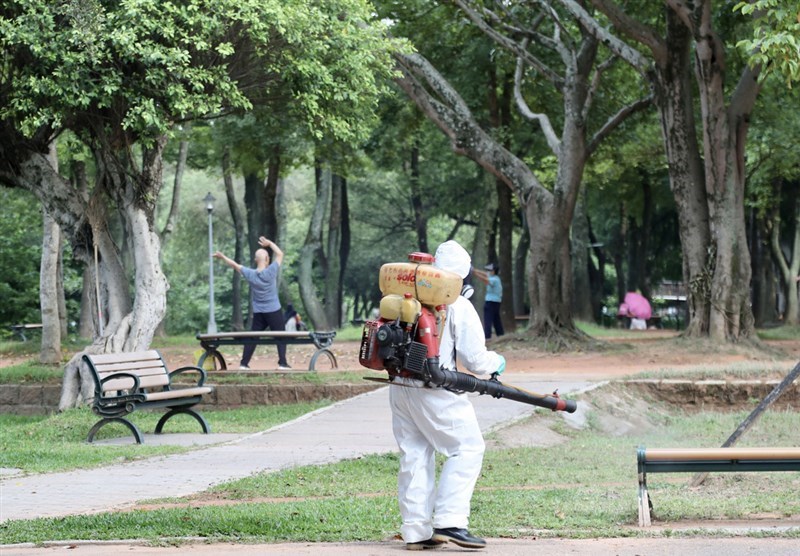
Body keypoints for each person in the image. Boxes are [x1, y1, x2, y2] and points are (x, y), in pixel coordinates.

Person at [389, 240, 506, 551]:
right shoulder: (456, 303)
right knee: (467, 448)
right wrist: (498, 362)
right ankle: (450, 522)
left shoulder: (405, 295)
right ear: (461, 277)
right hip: (434, 387)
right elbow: (475, 360)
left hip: (400, 386)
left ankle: (416, 531)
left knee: (415, 453)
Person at [213, 236, 291, 370]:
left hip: (259, 312)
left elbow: (234, 265)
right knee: (280, 335)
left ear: (255, 260)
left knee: (253, 337)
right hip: (273, 310)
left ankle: (244, 364)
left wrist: (222, 256)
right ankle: (282, 363)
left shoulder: (250, 274)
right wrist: (270, 243)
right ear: (267, 260)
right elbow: (280, 254)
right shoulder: (271, 271)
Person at [472, 262, 504, 339]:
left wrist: (474, 272)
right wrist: (474, 270)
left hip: (491, 302)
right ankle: (500, 333)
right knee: (496, 318)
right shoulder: (496, 278)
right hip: (496, 302)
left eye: (490, 270)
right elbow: (484, 274)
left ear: (493, 271)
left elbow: (485, 279)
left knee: (488, 319)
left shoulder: (494, 279)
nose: (488, 272)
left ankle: (487, 336)